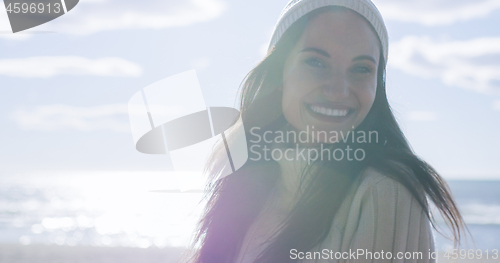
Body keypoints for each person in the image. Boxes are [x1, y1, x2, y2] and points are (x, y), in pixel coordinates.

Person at [188, 0, 465, 262]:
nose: (337, 91)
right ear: (280, 74)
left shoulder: (384, 193)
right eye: (316, 62)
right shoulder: (248, 178)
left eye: (360, 69)